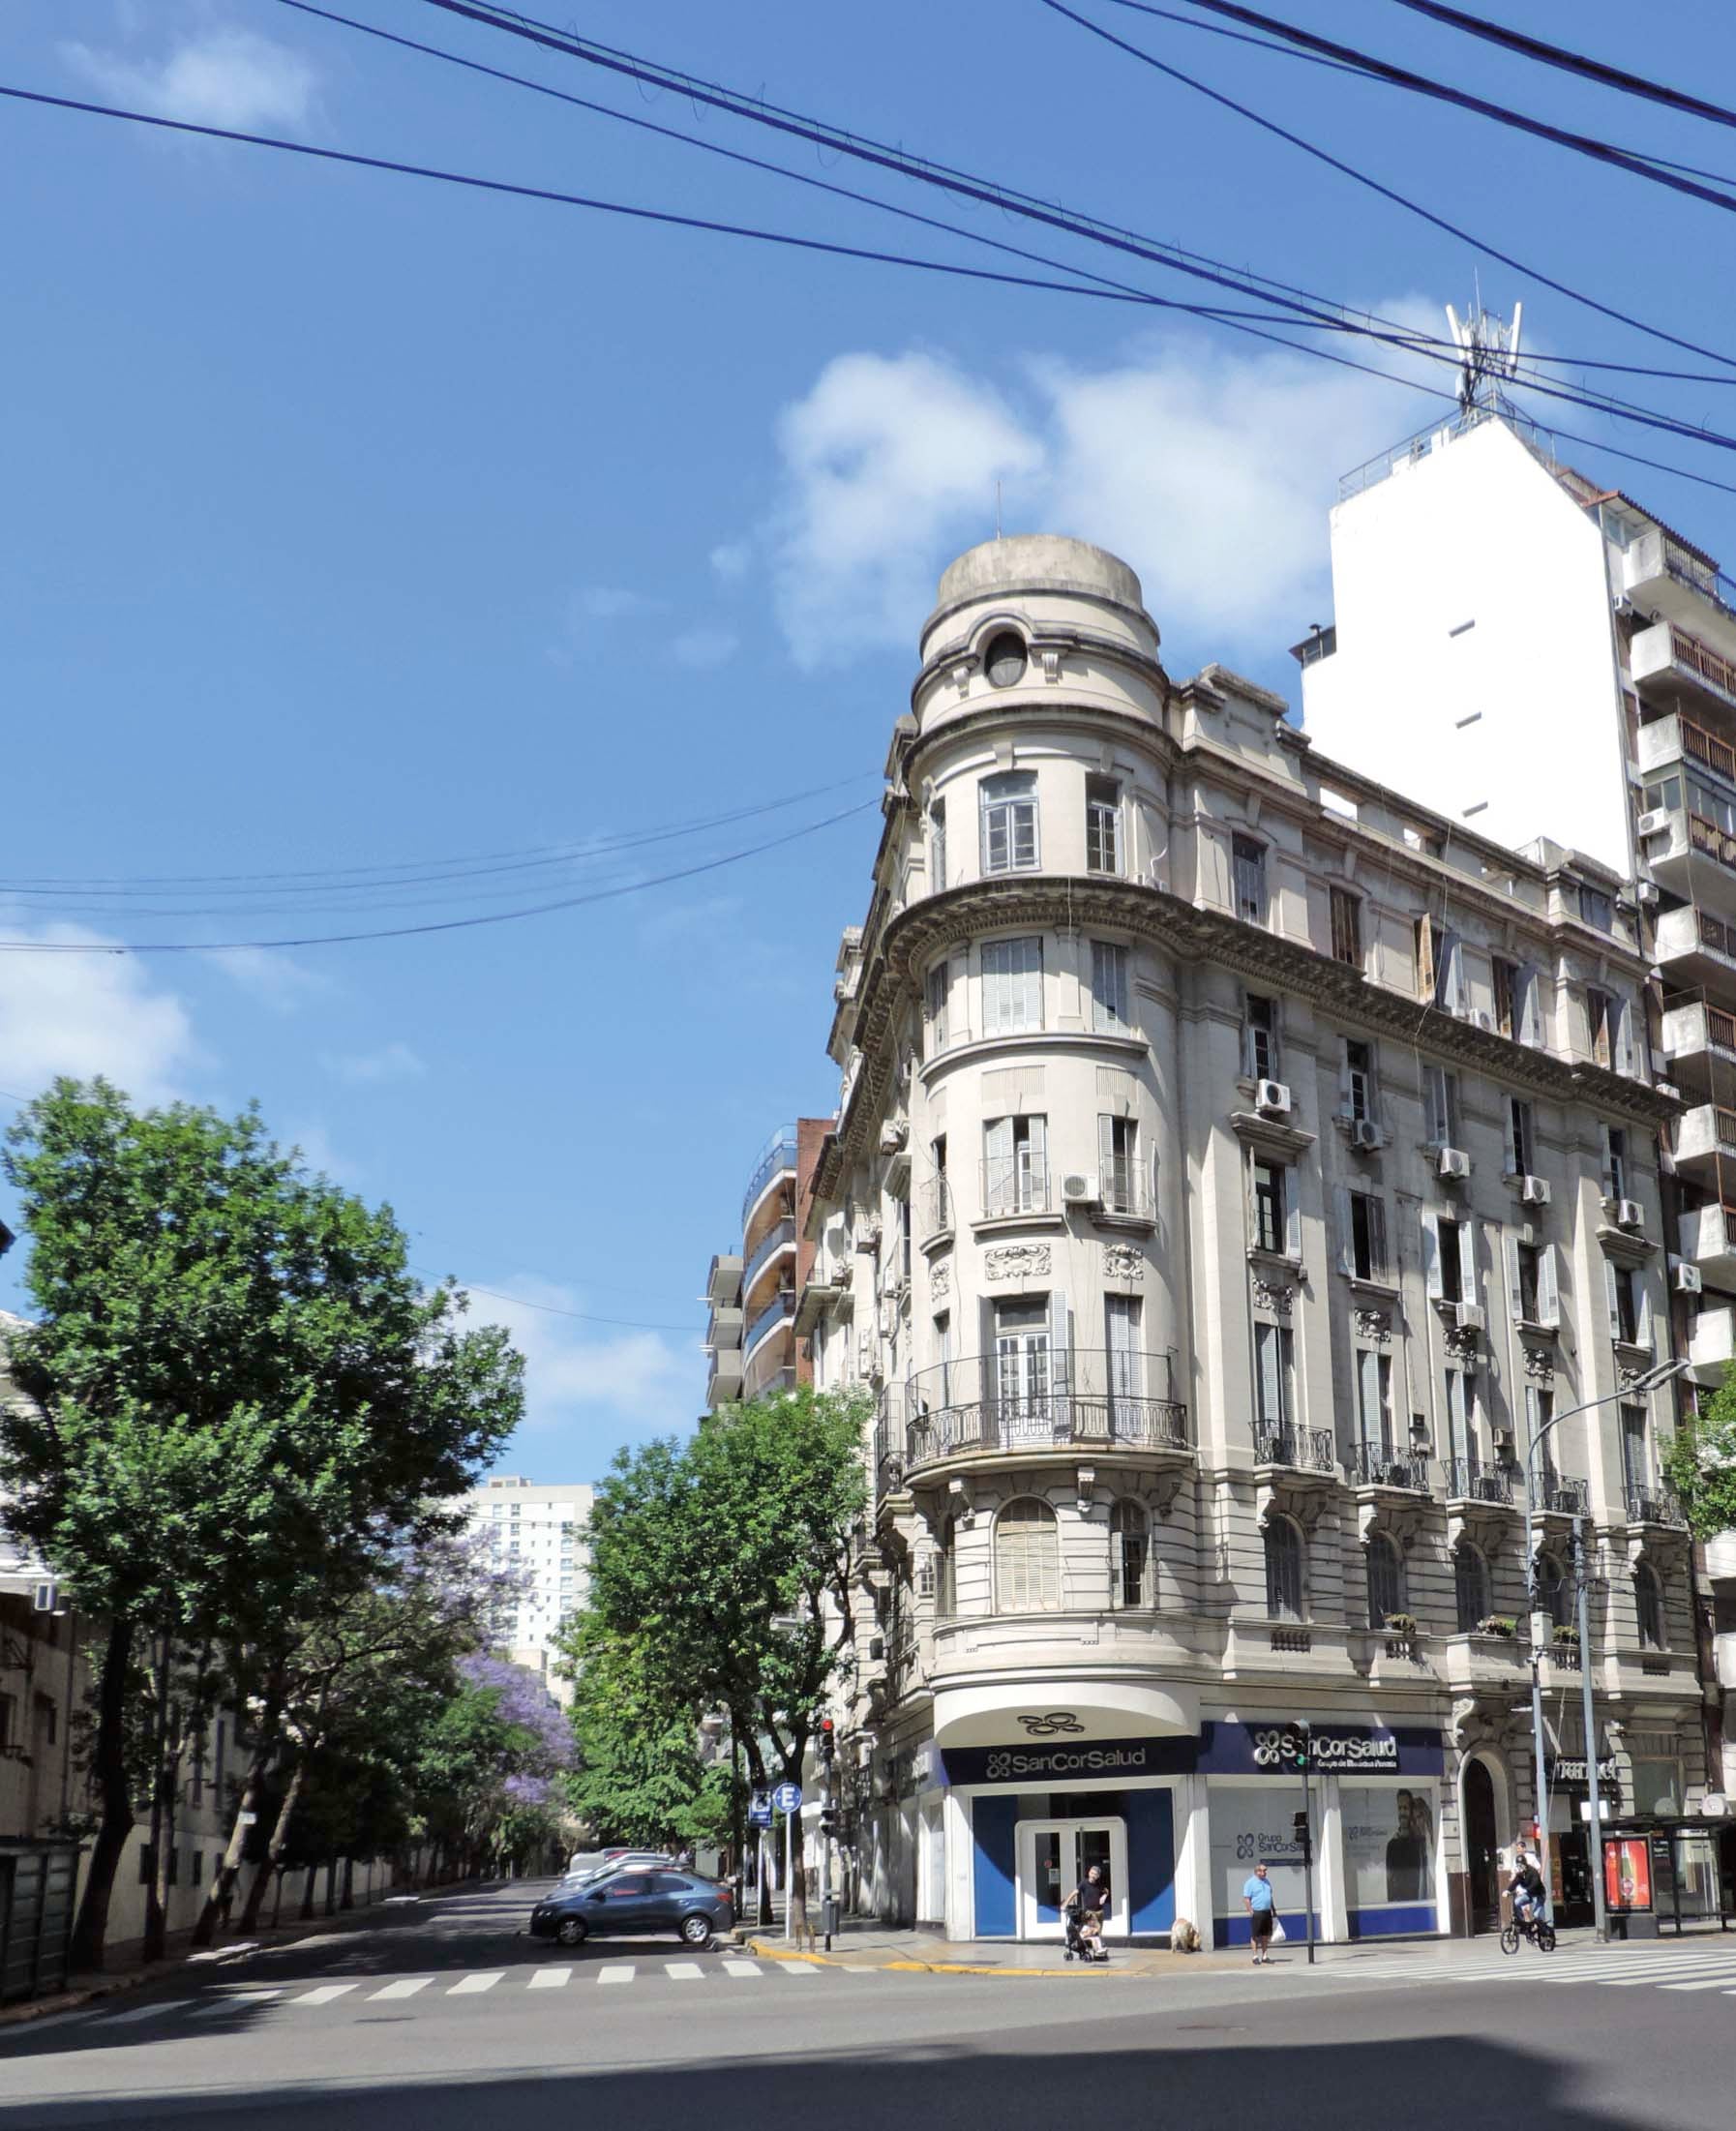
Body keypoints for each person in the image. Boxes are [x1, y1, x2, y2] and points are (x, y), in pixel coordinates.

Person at [1065, 1863, 1110, 1957]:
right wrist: (1065, 1904)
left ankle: (1097, 1952)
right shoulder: (1084, 1883)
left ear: (1098, 1876)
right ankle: (1087, 1942)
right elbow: (1074, 1893)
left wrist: (1104, 1896)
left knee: (1097, 1933)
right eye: (1092, 1873)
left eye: (1096, 1874)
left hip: (1099, 1912)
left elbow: (1106, 1891)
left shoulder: (1099, 1884)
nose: (1093, 1875)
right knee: (1095, 1929)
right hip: (1089, 1913)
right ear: (1089, 1873)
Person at [1242, 1859, 1278, 1964]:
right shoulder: (1250, 1883)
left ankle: (1265, 1956)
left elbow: (1270, 1897)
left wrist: (1273, 1910)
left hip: (1267, 1912)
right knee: (1255, 1935)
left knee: (1265, 1935)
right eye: (1262, 1871)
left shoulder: (1267, 1882)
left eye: (1265, 1871)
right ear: (1256, 1872)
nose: (1264, 1873)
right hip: (1257, 1912)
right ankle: (1255, 1956)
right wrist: (1251, 1911)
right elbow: (1246, 1898)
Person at [1511, 1848, 1546, 1933]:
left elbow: (1535, 1884)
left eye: (1521, 1865)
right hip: (1529, 1894)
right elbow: (1515, 1882)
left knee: (1536, 1914)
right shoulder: (1520, 1873)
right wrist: (1508, 1891)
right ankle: (1525, 1925)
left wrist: (1525, 1890)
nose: (1519, 1866)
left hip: (1539, 1894)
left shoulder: (1532, 1871)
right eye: (1518, 1865)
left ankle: (1543, 1933)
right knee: (1517, 1902)